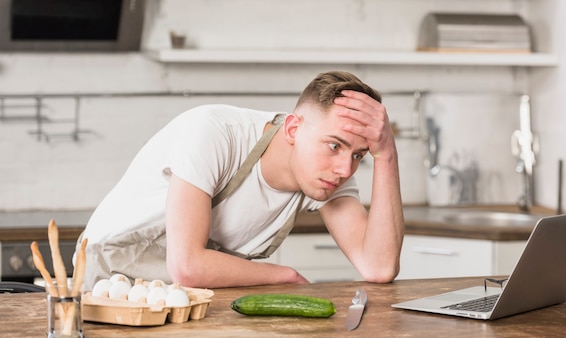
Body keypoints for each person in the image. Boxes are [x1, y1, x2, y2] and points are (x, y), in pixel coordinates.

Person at [77, 70, 404, 290]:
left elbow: (378, 267)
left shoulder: (331, 173)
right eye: (335, 146)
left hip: (187, 297)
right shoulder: (215, 132)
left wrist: (386, 154)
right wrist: (284, 275)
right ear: (293, 129)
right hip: (110, 279)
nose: (345, 169)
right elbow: (187, 265)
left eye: (359, 155)